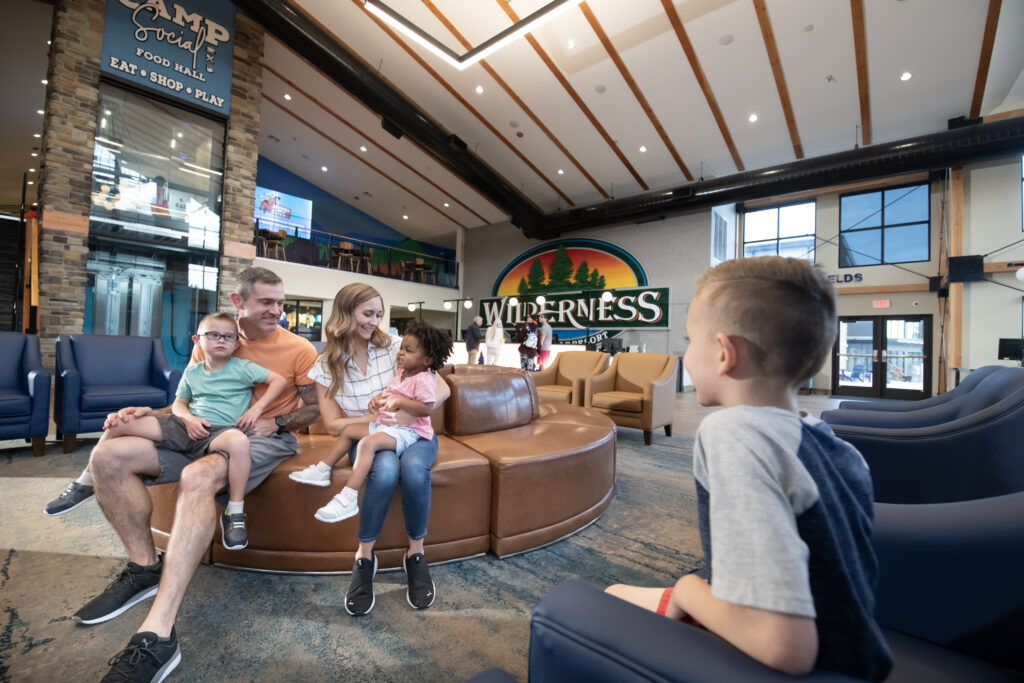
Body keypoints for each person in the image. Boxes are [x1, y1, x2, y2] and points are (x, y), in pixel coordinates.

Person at [605, 256, 893, 681]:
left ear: (724, 353)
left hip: (795, 661)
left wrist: (688, 590)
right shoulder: (839, 449)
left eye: (688, 340)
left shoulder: (735, 433)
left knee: (610, 599)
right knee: (619, 591)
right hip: (858, 654)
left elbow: (784, 646)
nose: (685, 355)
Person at [73, 267, 319, 682]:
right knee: (109, 456)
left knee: (198, 477)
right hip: (201, 433)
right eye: (266, 302)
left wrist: (277, 423)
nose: (277, 310)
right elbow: (188, 399)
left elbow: (317, 409)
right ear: (239, 302)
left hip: (260, 440)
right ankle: (143, 566)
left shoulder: (298, 349)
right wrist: (147, 413)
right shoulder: (212, 340)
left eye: (280, 302)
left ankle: (159, 632)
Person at [306, 283, 451, 616]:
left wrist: (408, 409)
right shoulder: (326, 364)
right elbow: (332, 425)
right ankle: (364, 557)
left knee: (415, 472)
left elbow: (438, 388)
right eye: (367, 314)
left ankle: (416, 554)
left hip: (415, 434)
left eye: (379, 315)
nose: (374, 322)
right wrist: (378, 417)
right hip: (373, 435)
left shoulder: (397, 347)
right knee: (384, 471)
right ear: (345, 313)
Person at [100, 312, 287, 551]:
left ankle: (235, 512)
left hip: (221, 431)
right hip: (186, 426)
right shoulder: (192, 372)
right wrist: (188, 419)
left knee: (240, 442)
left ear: (237, 342)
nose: (222, 340)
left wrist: (257, 410)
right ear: (197, 340)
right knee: (121, 422)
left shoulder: (243, 368)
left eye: (229, 337)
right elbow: (179, 403)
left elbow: (279, 380)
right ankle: (85, 480)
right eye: (214, 335)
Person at [291, 320, 452, 526]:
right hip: (388, 426)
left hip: (407, 432)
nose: (400, 353)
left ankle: (348, 497)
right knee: (349, 430)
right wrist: (378, 400)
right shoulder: (402, 372)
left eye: (408, 350)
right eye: (402, 348)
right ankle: (323, 469)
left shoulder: (424, 378)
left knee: (367, 443)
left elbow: (426, 408)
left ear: (427, 360)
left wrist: (401, 402)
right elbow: (390, 393)